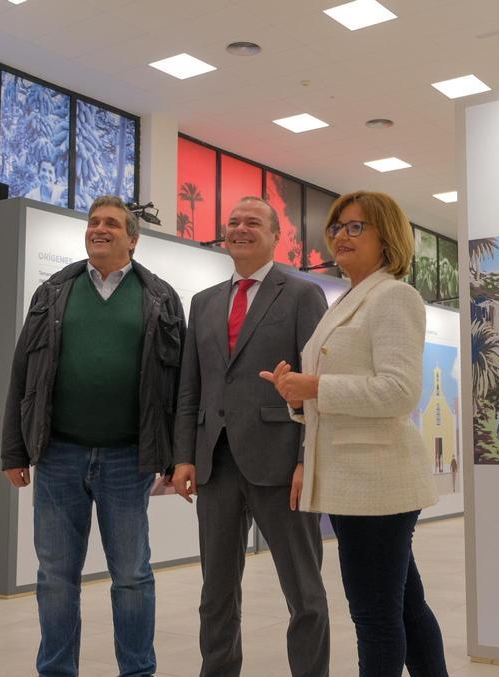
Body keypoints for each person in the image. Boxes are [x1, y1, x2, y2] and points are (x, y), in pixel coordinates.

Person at [261, 191, 447, 677]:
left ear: (387, 236)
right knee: (405, 607)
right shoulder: (349, 300)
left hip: (376, 485)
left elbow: (399, 391)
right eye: (337, 227)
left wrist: (315, 388)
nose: (341, 235)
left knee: (376, 617)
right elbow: (341, 393)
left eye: (356, 226)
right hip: (356, 483)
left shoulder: (394, 297)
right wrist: (296, 396)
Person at [1, 194, 185, 677]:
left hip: (128, 459)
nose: (99, 229)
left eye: (111, 224)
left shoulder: (161, 297)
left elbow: (178, 384)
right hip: (58, 455)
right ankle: (57, 670)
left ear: (133, 239)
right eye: (93, 222)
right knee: (55, 578)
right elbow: (22, 374)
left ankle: (137, 671)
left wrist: (177, 455)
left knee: (132, 576)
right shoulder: (53, 292)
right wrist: (13, 450)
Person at [170, 196, 330, 677]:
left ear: (276, 236)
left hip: (280, 463)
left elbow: (316, 383)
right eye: (234, 222)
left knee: (304, 593)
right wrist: (183, 456)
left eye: (253, 222)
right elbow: (190, 387)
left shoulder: (302, 295)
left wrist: (306, 459)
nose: (240, 228)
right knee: (216, 591)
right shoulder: (204, 302)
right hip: (215, 464)